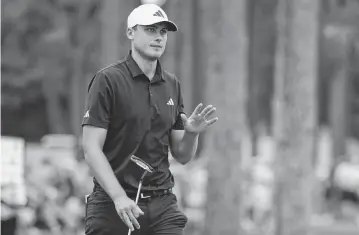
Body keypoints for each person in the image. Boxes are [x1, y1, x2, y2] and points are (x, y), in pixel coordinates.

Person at [82, 3, 218, 235]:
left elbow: (182, 156)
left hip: (162, 203)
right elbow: (91, 148)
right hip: (112, 204)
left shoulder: (172, 84)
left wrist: (192, 133)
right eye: (150, 30)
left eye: (163, 32)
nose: (158, 38)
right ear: (130, 32)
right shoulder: (108, 80)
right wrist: (118, 197)